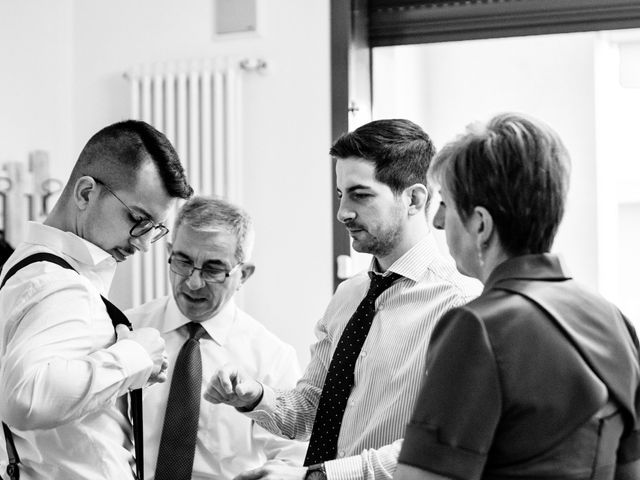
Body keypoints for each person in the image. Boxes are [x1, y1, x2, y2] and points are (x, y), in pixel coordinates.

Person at [205, 119, 481, 480]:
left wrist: (319, 478)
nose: (343, 213)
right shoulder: (348, 296)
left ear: (414, 199)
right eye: (341, 195)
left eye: (360, 195)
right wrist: (253, 395)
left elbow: (437, 448)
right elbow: (311, 409)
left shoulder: (459, 304)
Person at [394, 112, 640, 480]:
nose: (438, 223)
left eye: (445, 205)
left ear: (480, 223)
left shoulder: (476, 327)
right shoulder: (615, 321)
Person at [0, 120, 193, 480]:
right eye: (138, 219)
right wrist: (136, 356)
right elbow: (24, 398)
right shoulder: (60, 285)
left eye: (155, 229)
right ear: (86, 193)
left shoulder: (24, 269)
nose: (143, 243)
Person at [126, 195, 307, 479]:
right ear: (170, 252)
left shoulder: (272, 357)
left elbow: (294, 456)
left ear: (243, 274)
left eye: (212, 269)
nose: (193, 282)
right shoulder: (128, 330)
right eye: (183, 262)